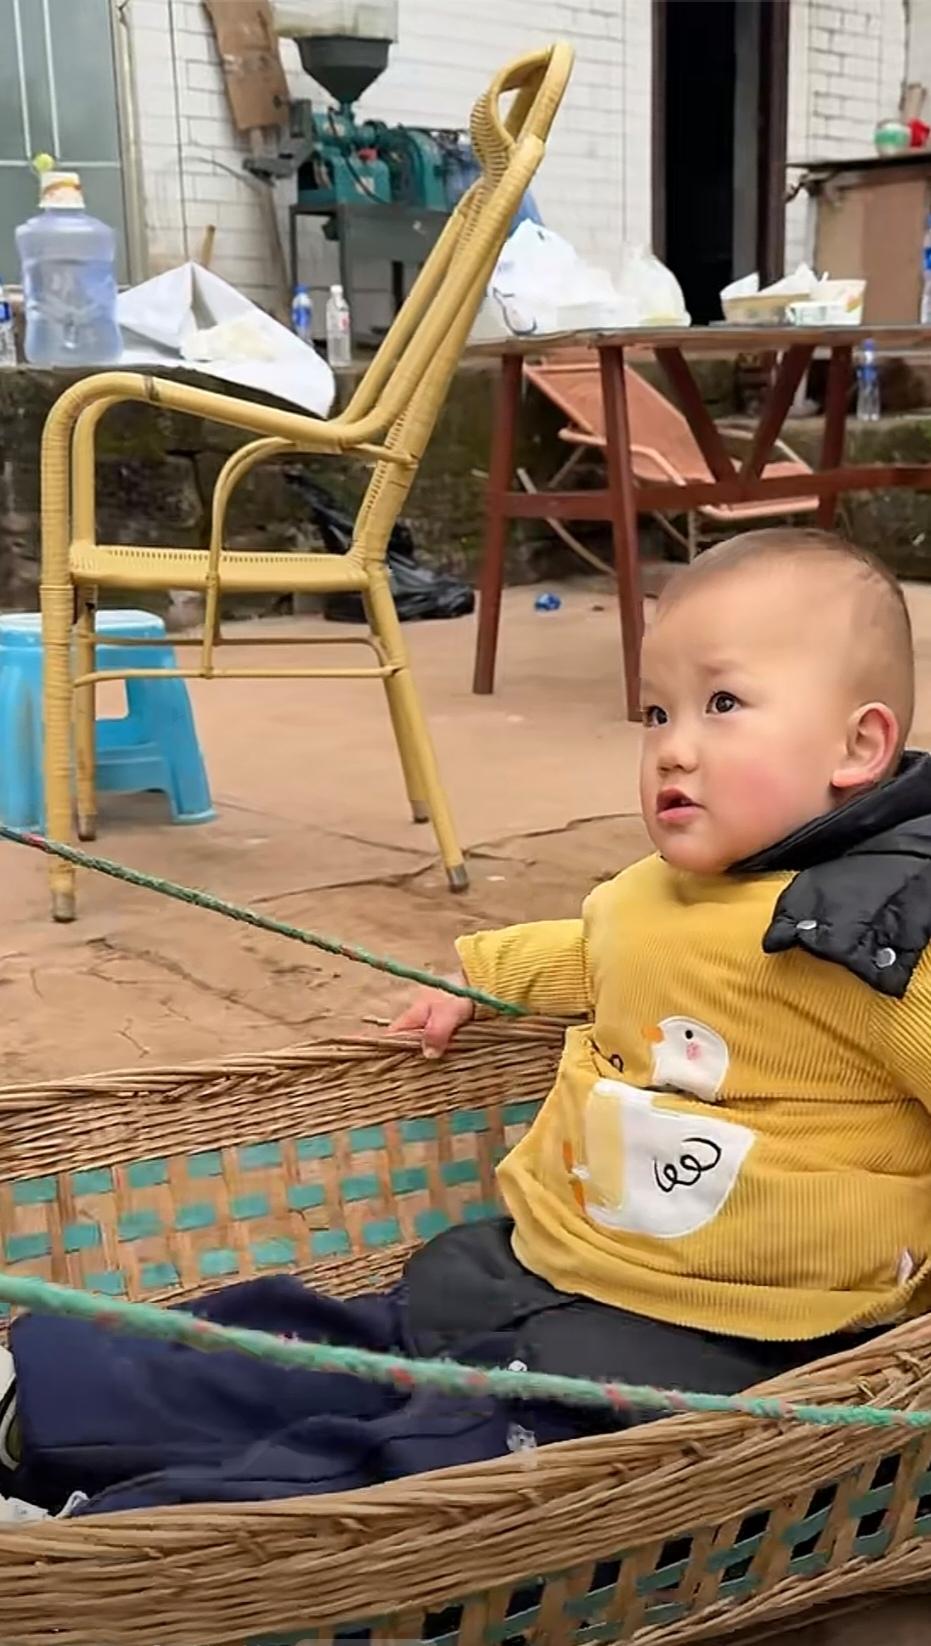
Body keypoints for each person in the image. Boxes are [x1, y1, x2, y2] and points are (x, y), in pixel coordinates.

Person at [7, 526, 931, 1518]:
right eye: (656, 712)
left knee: (436, 1467)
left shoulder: (885, 940)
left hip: (722, 1341)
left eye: (723, 704)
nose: (673, 744)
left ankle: (111, 1541)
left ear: (857, 746)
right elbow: (595, 951)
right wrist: (477, 973)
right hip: (545, 1266)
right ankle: (41, 1395)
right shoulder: (661, 891)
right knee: (331, 1343)